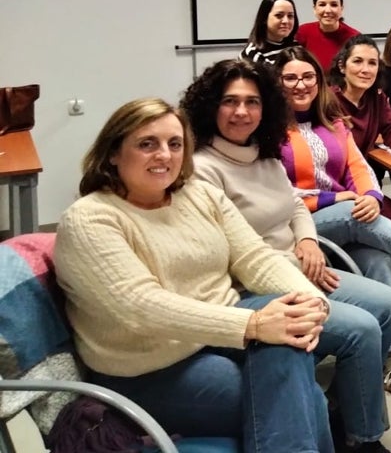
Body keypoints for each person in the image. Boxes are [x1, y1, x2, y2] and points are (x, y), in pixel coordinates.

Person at [54, 98, 336, 453]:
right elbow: (141, 307)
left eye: (175, 144)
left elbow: (256, 257)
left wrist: (313, 300)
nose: (164, 155)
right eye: (147, 144)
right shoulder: (89, 219)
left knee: (292, 334)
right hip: (147, 368)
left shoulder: (199, 194)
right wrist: (253, 325)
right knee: (306, 399)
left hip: (216, 335)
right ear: (113, 152)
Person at [182, 60, 391, 420]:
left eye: (253, 101)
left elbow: (294, 204)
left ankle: (345, 403)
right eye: (230, 101)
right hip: (253, 286)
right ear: (210, 106)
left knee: (388, 304)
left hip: (297, 264)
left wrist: (307, 241)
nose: (242, 112)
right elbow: (235, 254)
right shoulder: (202, 168)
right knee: (363, 327)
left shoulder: (262, 154)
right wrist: (295, 273)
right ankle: (364, 435)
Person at [276, 48, 391, 384]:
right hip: (297, 230)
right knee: (351, 212)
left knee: (378, 257)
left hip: (342, 214)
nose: (300, 85)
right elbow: (279, 193)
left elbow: (356, 166)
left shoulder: (331, 120)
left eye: (307, 77)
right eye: (290, 77)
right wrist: (335, 198)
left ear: (318, 81)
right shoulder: (270, 132)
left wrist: (372, 196)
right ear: (277, 83)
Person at [330, 35, 391, 158]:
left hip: (363, 170)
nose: (366, 70)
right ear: (342, 66)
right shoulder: (327, 101)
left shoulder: (376, 97)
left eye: (372, 63)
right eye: (357, 61)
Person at [295, 0, 361, 72]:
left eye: (334, 5)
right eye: (322, 5)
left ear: (341, 9)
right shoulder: (302, 32)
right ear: (314, 9)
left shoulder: (355, 38)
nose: (328, 10)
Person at [241, 0, 297, 66]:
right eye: (279, 15)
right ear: (264, 18)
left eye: (290, 16)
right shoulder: (252, 53)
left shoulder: (296, 47)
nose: (286, 21)